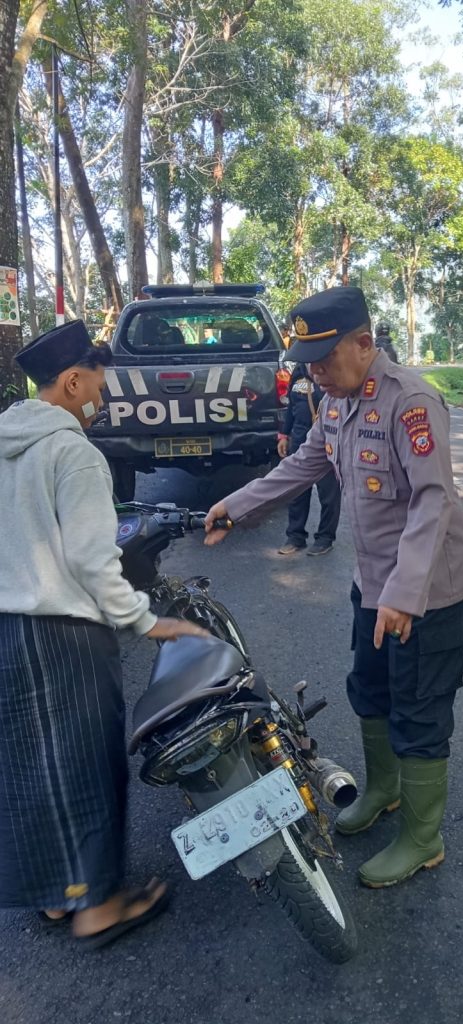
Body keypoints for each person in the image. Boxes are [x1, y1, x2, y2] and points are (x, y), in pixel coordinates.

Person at [205, 286, 463, 888]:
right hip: (373, 584)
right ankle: (383, 790)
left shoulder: (411, 402)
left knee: (420, 710)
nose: (314, 371)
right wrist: (235, 505)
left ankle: (423, 836)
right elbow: (304, 464)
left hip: (426, 591)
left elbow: (434, 499)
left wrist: (406, 593)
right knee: (371, 689)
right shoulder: (335, 402)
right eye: (307, 361)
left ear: (364, 342)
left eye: (324, 358)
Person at [0, 321, 206, 947]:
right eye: (99, 383)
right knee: (86, 764)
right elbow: (95, 560)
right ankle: (95, 908)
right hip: (64, 633)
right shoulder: (72, 452)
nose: (104, 397)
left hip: (8, 631)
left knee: (29, 766)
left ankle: (60, 897)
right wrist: (144, 619)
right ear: (71, 381)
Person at [277, 362, 341, 556]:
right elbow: (290, 407)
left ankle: (325, 538)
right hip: (298, 439)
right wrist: (283, 435)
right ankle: (295, 537)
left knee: (328, 495)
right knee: (296, 492)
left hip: (325, 441)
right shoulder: (297, 374)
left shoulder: (330, 373)